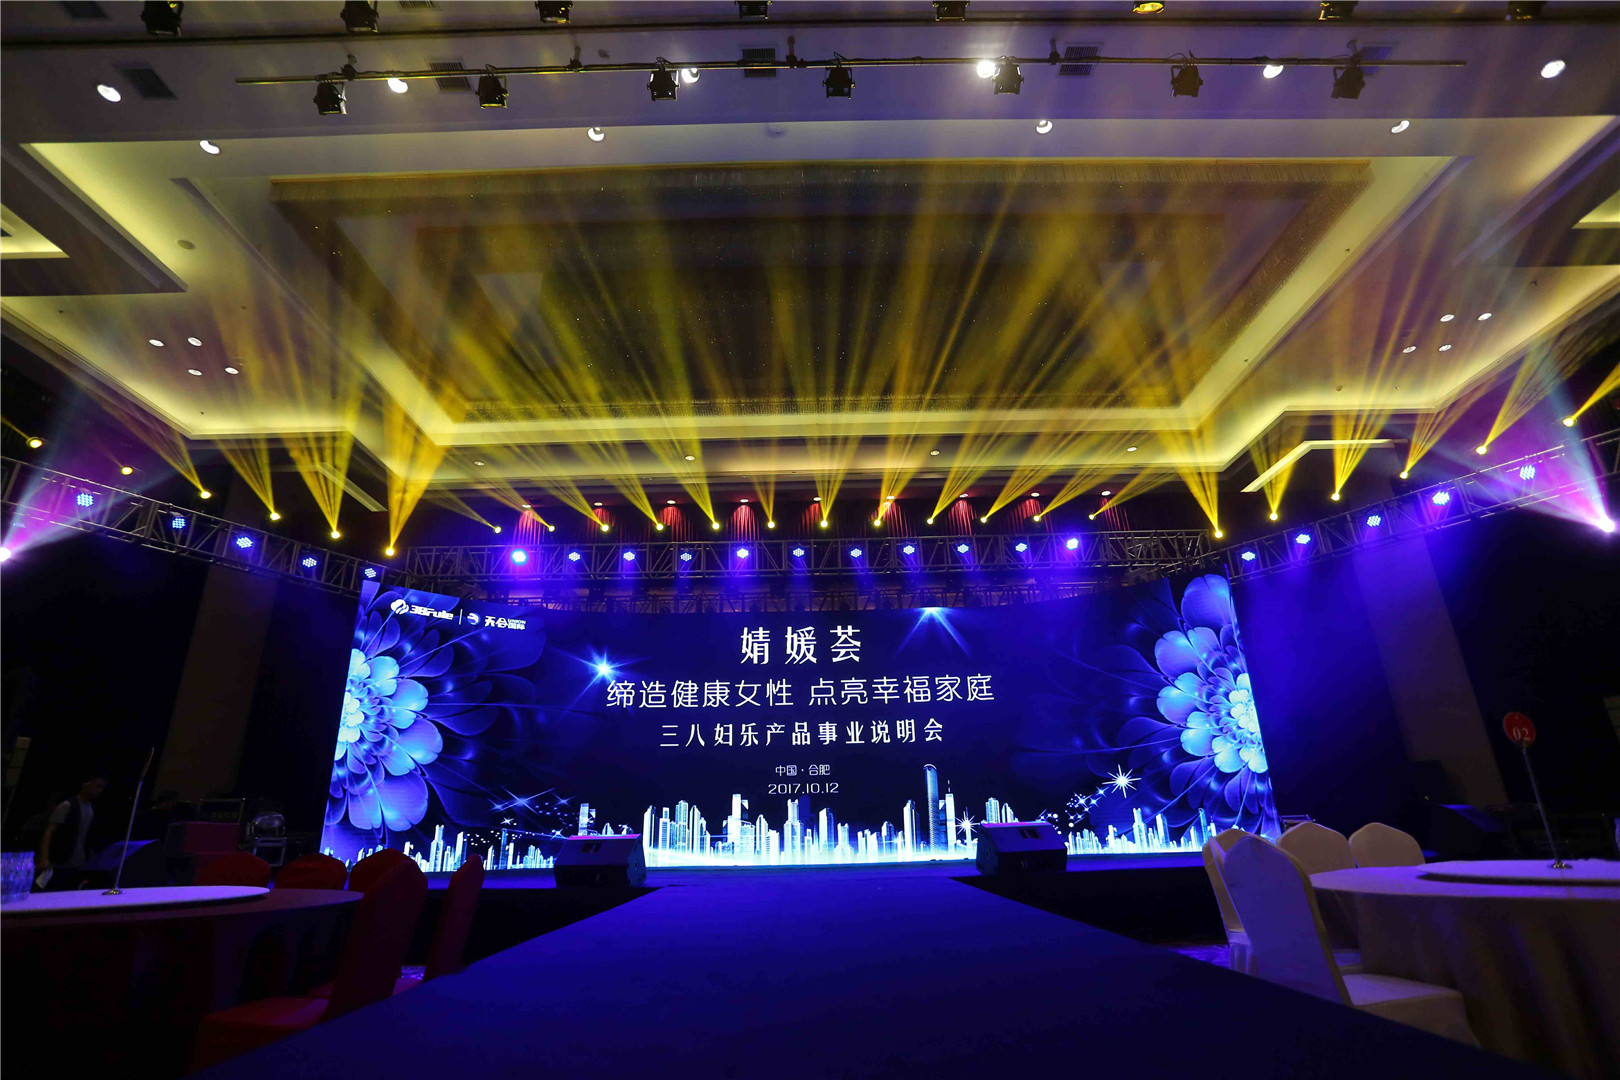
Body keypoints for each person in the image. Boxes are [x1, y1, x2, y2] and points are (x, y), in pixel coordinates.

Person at [37, 776, 105, 890]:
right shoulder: (67, 806)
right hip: (61, 859)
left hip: (80, 860)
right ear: (86, 785)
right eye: (97, 786)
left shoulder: (91, 808)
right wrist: (45, 858)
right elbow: (49, 832)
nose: (99, 790)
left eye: (101, 788)